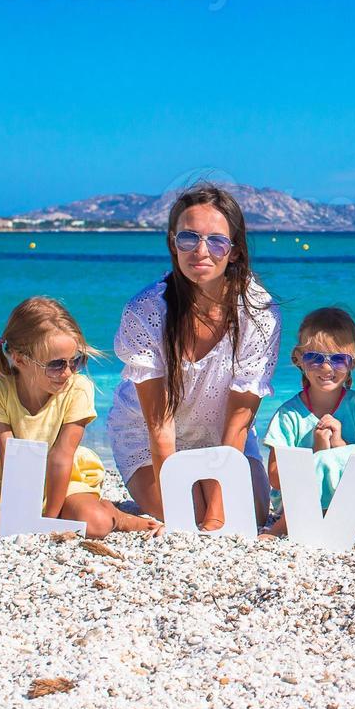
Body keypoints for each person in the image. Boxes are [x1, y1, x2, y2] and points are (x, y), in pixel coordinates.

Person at [106, 184, 281, 529]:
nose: (201, 251)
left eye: (216, 241)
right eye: (189, 238)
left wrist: (216, 517)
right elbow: (160, 427)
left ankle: (209, 499)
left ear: (233, 251)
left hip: (221, 434)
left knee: (248, 515)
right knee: (189, 514)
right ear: (173, 243)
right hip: (147, 436)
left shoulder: (259, 313)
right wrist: (185, 506)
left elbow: (238, 422)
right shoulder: (146, 310)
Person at [0, 297, 158, 537]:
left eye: (75, 362)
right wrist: (25, 515)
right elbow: (11, 456)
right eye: (56, 364)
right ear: (21, 359)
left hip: (68, 481)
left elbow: (61, 457)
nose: (67, 372)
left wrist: (46, 522)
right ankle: (21, 522)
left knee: (96, 523)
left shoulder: (77, 388)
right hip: (15, 482)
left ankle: (115, 514)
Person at [259, 307, 355, 541]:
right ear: (298, 359)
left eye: (339, 359)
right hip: (298, 503)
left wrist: (338, 445)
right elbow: (276, 477)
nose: (327, 368)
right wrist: (319, 454)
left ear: (354, 361)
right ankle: (280, 528)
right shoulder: (289, 415)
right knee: (348, 456)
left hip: (349, 496)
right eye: (314, 358)